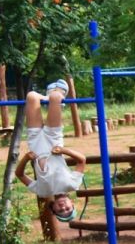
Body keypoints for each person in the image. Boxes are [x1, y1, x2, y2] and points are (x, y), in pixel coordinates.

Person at [13, 82, 85, 226]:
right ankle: (57, 94)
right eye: (68, 208)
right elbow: (82, 160)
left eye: (61, 210)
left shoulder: (42, 191)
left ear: (53, 207)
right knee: (55, 97)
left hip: (35, 143)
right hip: (53, 140)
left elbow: (19, 174)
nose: (63, 207)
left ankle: (49, 97)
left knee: (31, 96)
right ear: (72, 202)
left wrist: (27, 158)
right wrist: (64, 151)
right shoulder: (73, 185)